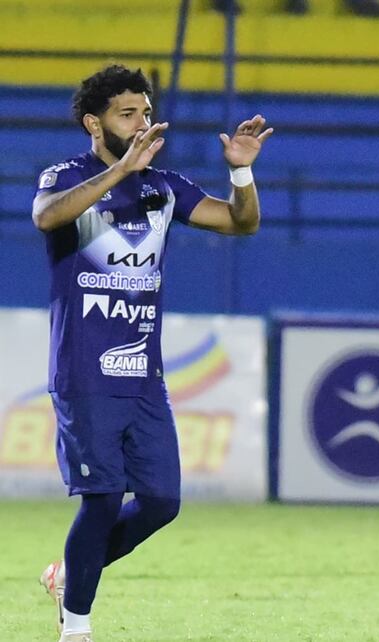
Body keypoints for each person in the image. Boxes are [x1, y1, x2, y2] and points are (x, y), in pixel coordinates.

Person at [34, 64, 273, 642]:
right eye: (128, 114)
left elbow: (240, 223)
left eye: (145, 111)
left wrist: (241, 174)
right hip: (85, 371)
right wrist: (119, 170)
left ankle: (71, 572)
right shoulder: (65, 175)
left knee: (162, 501)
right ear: (95, 123)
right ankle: (77, 626)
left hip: (144, 374)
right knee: (103, 496)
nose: (143, 122)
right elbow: (47, 216)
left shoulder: (162, 186)